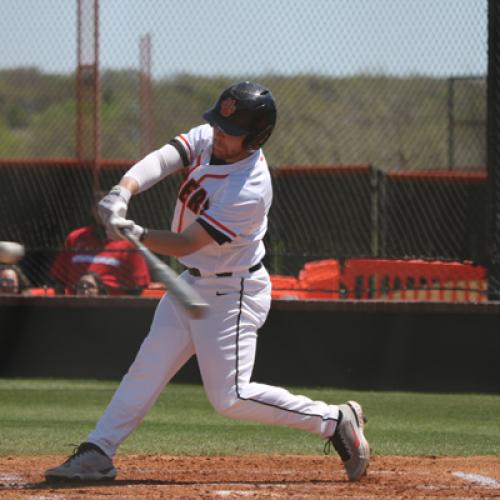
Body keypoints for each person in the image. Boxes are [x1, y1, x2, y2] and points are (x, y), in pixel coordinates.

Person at [45, 81, 370, 483]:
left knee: (231, 398)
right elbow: (163, 159)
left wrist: (135, 233)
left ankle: (334, 420)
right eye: (218, 123)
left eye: (231, 131)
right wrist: (121, 191)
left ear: (255, 138)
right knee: (146, 369)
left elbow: (185, 243)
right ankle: (98, 451)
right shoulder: (212, 136)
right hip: (191, 284)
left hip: (231, 292)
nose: (219, 133)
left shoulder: (249, 188)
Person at [48, 194, 151, 296]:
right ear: (93, 210)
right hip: (76, 306)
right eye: (100, 208)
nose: (103, 213)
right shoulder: (75, 238)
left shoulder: (127, 243)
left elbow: (138, 286)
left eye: (108, 209)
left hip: (111, 307)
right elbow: (59, 279)